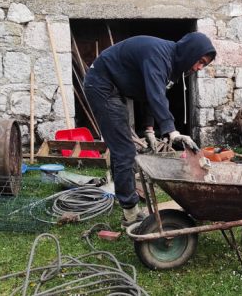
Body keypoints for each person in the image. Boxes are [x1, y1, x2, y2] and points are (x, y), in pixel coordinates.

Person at [83, 32, 216, 228]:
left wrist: (149, 129)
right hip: (101, 85)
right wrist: (172, 131)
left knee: (123, 150)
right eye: (200, 61)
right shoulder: (159, 55)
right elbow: (155, 96)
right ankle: (130, 214)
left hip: (114, 88)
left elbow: (152, 95)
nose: (199, 68)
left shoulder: (173, 66)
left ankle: (124, 198)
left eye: (204, 65)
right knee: (125, 151)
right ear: (190, 52)